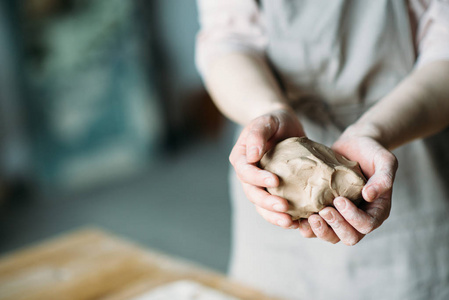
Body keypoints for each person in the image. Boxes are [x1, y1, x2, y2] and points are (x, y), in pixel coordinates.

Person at [196, 1, 449, 299]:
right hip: (270, 158)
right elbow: (228, 39)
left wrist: (374, 131)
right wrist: (267, 110)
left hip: (407, 139)